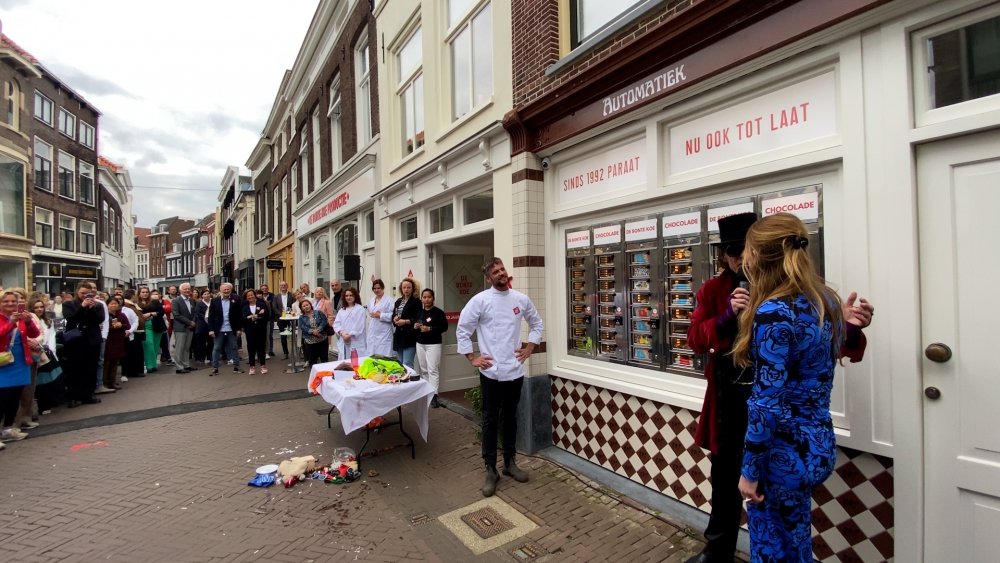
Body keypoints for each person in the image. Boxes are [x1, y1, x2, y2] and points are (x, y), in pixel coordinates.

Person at [685, 213, 873, 563]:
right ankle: (718, 550)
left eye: (745, 249)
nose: (740, 258)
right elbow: (695, 339)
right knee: (727, 483)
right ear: (724, 255)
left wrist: (848, 327)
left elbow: (819, 353)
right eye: (732, 250)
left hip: (772, 423)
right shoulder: (714, 291)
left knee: (771, 529)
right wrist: (725, 318)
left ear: (760, 253)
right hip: (734, 406)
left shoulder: (786, 301)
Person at [456, 258, 543, 497]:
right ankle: (490, 468)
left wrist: (530, 347)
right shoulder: (480, 301)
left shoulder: (520, 299)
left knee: (510, 417)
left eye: (502, 269)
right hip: (491, 373)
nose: (501, 274)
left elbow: (536, 323)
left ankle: (510, 462)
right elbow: (463, 328)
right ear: (488, 278)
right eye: (495, 272)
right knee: (490, 420)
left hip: (514, 371)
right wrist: (471, 358)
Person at [0, 290, 40, 446]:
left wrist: (29, 322)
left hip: (20, 363)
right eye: (6, 301)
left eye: (13, 301)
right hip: (3, 364)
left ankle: (8, 429)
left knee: (14, 398)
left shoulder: (22, 317)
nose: (10, 304)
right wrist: (11, 323)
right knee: (2, 398)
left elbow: (34, 333)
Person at [61, 281, 105, 408]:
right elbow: (71, 318)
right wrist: (82, 307)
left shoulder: (98, 305)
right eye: (83, 293)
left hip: (92, 339)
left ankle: (89, 394)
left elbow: (99, 319)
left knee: (91, 368)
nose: (85, 296)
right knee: (75, 369)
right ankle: (73, 396)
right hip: (76, 340)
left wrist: (91, 309)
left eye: (88, 294)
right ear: (77, 292)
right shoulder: (69, 304)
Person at [414, 288, 448, 408]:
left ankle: (434, 395)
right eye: (424, 297)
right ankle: (427, 392)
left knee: (433, 369)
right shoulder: (420, 313)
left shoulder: (438, 313)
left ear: (433, 298)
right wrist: (416, 325)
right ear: (422, 299)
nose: (426, 299)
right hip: (420, 343)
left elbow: (444, 327)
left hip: (433, 344)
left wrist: (430, 329)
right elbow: (416, 324)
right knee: (424, 369)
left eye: (429, 297)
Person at [30, 295, 63, 414]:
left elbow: (51, 337)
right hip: (36, 352)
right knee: (39, 381)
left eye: (41, 307)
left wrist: (52, 352)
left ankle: (50, 402)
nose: (39, 309)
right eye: (36, 307)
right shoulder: (31, 321)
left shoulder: (47, 321)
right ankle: (41, 406)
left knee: (50, 379)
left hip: (48, 353)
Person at [207, 283, 243, 376]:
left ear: (231, 290)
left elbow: (239, 316)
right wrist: (211, 329)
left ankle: (236, 366)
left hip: (232, 328)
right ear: (221, 290)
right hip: (219, 328)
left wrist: (239, 328)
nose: (226, 291)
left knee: (234, 347)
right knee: (217, 348)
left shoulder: (235, 300)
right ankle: (215, 367)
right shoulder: (215, 301)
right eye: (224, 290)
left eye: (228, 289)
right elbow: (211, 317)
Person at [392, 278, 421, 369]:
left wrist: (404, 321)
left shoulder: (416, 302)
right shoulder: (398, 301)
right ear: (401, 289)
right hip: (399, 335)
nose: (406, 290)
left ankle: (409, 381)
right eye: (404, 287)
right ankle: (402, 381)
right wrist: (395, 318)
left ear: (413, 289)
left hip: (410, 335)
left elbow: (418, 318)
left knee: (407, 363)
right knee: (400, 363)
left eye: (409, 287)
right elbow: (394, 314)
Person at [102, 296, 129, 391]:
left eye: (115, 304)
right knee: (106, 363)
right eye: (111, 304)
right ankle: (104, 382)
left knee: (115, 362)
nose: (113, 305)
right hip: (108, 341)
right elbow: (102, 328)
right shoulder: (104, 315)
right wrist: (113, 327)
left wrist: (121, 325)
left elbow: (127, 325)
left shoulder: (121, 315)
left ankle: (112, 381)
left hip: (118, 341)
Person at [171, 283, 198, 374]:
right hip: (180, 327)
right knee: (179, 347)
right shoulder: (176, 301)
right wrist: (189, 322)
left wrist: (193, 322)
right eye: (185, 289)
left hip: (190, 328)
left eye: (188, 289)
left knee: (187, 347)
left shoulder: (191, 300)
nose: (187, 291)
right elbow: (176, 315)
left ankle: (186, 365)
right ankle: (179, 367)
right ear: (180, 290)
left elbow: (194, 313)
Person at [333, 287, 366, 360]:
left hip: (355, 340)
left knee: (356, 361)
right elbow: (336, 324)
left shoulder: (360, 309)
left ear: (355, 296)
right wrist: (342, 333)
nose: (349, 297)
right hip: (344, 340)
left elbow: (359, 325)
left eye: (351, 295)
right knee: (344, 362)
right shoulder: (342, 310)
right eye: (346, 296)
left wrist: (350, 335)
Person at [94, 283, 115, 395]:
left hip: (100, 336)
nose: (92, 291)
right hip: (86, 337)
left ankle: (99, 384)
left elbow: (106, 320)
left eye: (94, 288)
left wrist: (104, 336)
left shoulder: (101, 304)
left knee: (100, 361)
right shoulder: (79, 304)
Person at [242, 289, 270, 374]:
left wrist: (256, 316)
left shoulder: (261, 304)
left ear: (255, 295)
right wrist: (254, 317)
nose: (250, 297)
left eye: (251, 295)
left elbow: (265, 315)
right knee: (251, 348)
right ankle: (252, 367)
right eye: (248, 296)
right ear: (246, 297)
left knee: (261, 347)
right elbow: (244, 318)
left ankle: (263, 365)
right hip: (250, 330)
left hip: (260, 329)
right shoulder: (245, 307)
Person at [137, 288, 164, 373]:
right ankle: (149, 365)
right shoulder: (137, 303)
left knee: (155, 346)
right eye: (143, 292)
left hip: (156, 325)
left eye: (146, 292)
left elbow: (161, 312)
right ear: (139, 293)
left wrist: (151, 313)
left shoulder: (154, 302)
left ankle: (153, 364)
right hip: (145, 326)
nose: (145, 294)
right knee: (149, 344)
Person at [120, 290, 144, 380]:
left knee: (134, 353)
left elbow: (135, 321)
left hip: (132, 333)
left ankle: (135, 371)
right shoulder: (127, 307)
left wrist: (130, 330)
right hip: (121, 335)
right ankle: (125, 373)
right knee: (125, 355)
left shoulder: (129, 309)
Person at [367, 279, 395, 357]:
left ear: (383, 288)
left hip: (384, 332)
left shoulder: (389, 300)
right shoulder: (371, 300)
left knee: (384, 355)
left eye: (378, 288)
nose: (376, 290)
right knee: (372, 355)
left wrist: (380, 315)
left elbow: (392, 316)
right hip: (373, 330)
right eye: (375, 288)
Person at [298, 299, 329, 365]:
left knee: (324, 359)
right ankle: (314, 374)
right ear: (301, 308)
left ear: (310, 305)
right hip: (310, 341)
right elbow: (302, 326)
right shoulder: (301, 318)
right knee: (312, 360)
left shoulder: (319, 313)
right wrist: (313, 332)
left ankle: (326, 374)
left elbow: (324, 321)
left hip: (322, 339)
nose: (306, 307)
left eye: (307, 305)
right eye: (304, 306)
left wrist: (318, 330)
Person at [271, 281, 294, 359]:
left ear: (287, 286)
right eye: (281, 285)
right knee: (283, 337)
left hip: (291, 318)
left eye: (284, 285)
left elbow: (294, 305)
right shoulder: (276, 296)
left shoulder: (292, 295)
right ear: (279, 287)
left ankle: (295, 352)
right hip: (281, 319)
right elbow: (274, 307)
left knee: (294, 335)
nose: (283, 286)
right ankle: (285, 353)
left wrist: (290, 313)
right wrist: (281, 315)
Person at [194, 290, 212, 364]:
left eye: (208, 294)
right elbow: (198, 313)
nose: (207, 295)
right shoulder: (199, 304)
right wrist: (206, 317)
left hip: (211, 325)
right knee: (201, 343)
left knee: (211, 342)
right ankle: (201, 357)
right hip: (202, 325)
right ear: (202, 296)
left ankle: (210, 357)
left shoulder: (213, 302)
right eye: (205, 294)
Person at [259, 284, 275, 357]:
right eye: (263, 289)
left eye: (266, 288)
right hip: (260, 320)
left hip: (269, 318)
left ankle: (270, 350)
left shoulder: (272, 296)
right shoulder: (257, 299)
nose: (264, 290)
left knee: (269, 335)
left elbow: (272, 308)